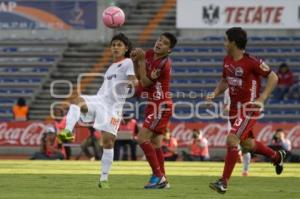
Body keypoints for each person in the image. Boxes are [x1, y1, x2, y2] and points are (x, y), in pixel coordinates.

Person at [207, 27, 286, 194]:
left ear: (233, 42)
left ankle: (223, 182)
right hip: (235, 109)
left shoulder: (252, 62)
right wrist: (214, 93)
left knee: (232, 140)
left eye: (226, 40)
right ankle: (277, 157)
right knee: (248, 144)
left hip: (249, 107)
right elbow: (224, 81)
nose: (224, 43)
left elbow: (273, 77)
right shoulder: (227, 60)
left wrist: (262, 98)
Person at [57, 33, 136, 189]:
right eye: (113, 44)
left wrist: (131, 83)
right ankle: (67, 131)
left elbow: (133, 81)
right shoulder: (111, 67)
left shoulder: (128, 62)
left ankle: (104, 179)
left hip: (114, 108)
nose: (115, 47)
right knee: (77, 100)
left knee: (108, 142)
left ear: (126, 48)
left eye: (119, 44)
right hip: (100, 101)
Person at [131, 32, 177, 189]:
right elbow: (139, 77)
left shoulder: (164, 63)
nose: (159, 43)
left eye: (164, 43)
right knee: (156, 144)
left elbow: (144, 82)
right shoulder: (150, 54)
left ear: (169, 50)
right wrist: (135, 61)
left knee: (141, 138)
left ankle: (158, 175)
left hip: (161, 104)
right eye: (159, 40)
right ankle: (163, 180)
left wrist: (142, 60)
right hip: (153, 104)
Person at [224, 88, 251, 176]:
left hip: (245, 119)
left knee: (246, 146)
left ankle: (245, 170)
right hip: (232, 120)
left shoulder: (247, 86)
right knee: (232, 143)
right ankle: (238, 152)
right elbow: (225, 106)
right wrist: (227, 108)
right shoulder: (227, 91)